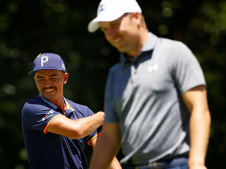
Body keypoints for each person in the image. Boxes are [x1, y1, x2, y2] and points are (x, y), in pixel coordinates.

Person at [87, 0, 211, 169]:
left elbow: (199, 108)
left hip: (176, 164)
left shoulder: (174, 52)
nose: (111, 34)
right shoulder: (115, 73)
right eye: (105, 29)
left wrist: (196, 162)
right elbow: (110, 135)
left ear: (136, 17)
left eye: (115, 25)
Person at [22, 53, 122, 169]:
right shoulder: (32, 107)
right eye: (40, 79)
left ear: (65, 78)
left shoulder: (83, 111)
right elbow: (76, 131)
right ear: (35, 80)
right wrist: (103, 116)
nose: (47, 84)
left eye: (53, 77)